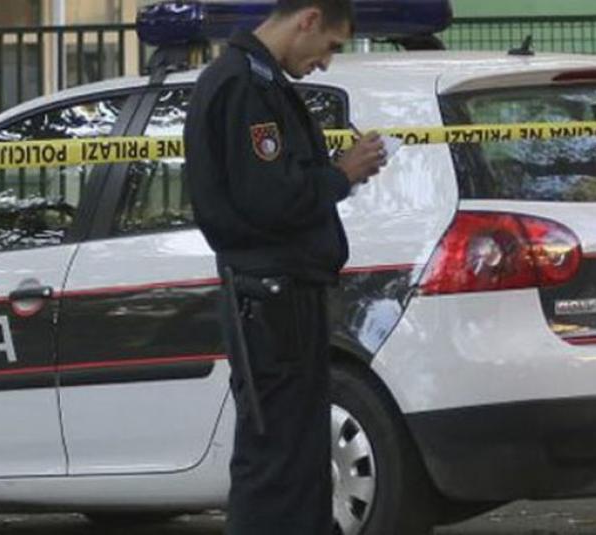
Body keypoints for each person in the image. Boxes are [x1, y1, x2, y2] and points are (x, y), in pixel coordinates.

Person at [183, 1, 387, 534]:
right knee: (277, 459)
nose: (326, 62)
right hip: (271, 300)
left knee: (300, 454)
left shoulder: (258, 81)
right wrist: (342, 174)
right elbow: (269, 199)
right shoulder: (245, 86)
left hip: (282, 296)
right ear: (308, 19)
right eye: (331, 46)